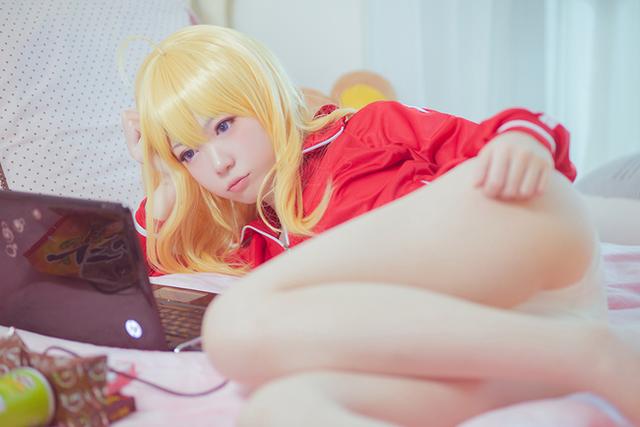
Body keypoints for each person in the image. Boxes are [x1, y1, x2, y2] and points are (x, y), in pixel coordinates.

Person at [122, 25, 640, 427]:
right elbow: (143, 264)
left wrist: (522, 142)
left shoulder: (364, 128)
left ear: (262, 94)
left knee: (234, 325)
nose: (219, 163)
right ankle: (572, 353)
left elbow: (509, 131)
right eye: (190, 153)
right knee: (278, 408)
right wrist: (165, 176)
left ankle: (592, 354)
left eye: (224, 126)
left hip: (526, 235)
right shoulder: (253, 237)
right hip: (508, 336)